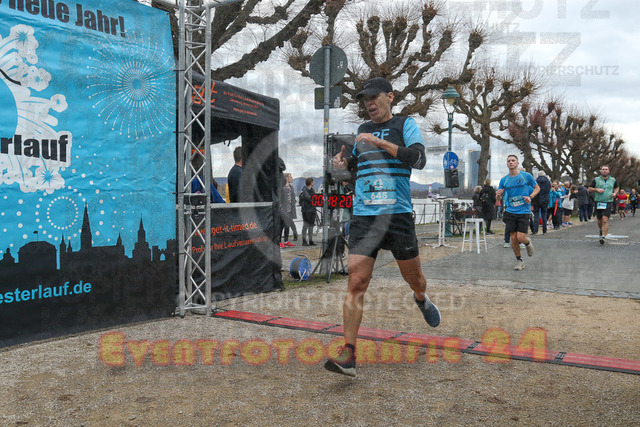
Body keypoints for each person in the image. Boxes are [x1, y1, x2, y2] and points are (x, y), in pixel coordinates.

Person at [324, 77, 437, 377]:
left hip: (397, 214)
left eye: (374, 97)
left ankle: (421, 298)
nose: (369, 103)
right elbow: (357, 171)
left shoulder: (404, 124)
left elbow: (418, 159)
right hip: (364, 216)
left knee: (415, 279)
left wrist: (380, 142)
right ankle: (349, 353)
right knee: (356, 281)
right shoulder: (362, 130)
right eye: (365, 99)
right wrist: (343, 167)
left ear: (390, 97)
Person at [496, 155, 539, 271]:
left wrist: (530, 197)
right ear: (507, 164)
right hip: (510, 211)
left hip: (524, 211)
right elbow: (498, 198)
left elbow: (537, 188)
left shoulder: (526, 176)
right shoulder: (504, 180)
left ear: (517, 163)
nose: (510, 162)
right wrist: (498, 195)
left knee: (520, 237)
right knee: (513, 237)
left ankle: (527, 242)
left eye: (513, 160)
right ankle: (519, 260)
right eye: (508, 161)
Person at [588, 165, 619, 245]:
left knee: (605, 219)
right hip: (598, 201)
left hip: (608, 201)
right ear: (601, 171)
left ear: (609, 171)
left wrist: (615, 193)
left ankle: (603, 237)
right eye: (603, 169)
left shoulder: (613, 180)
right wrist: (596, 189)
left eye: (606, 169)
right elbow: (590, 188)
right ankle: (601, 230)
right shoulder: (596, 179)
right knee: (599, 220)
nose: (605, 170)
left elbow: (616, 187)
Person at [279, 173, 297, 248]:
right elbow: (278, 198)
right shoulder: (281, 187)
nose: (292, 178)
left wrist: (294, 202)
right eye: (290, 177)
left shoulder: (291, 187)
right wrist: (281, 207)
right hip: (283, 210)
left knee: (287, 226)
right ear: (286, 178)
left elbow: (293, 198)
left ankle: (286, 241)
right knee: (281, 226)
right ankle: (279, 242)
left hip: (290, 210)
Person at [299, 177, 317, 246]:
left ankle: (310, 240)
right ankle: (304, 241)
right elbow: (308, 197)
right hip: (306, 210)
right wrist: (314, 199)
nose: (314, 183)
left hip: (312, 209)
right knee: (306, 225)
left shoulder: (312, 190)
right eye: (313, 182)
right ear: (311, 183)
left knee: (311, 225)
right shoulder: (305, 190)